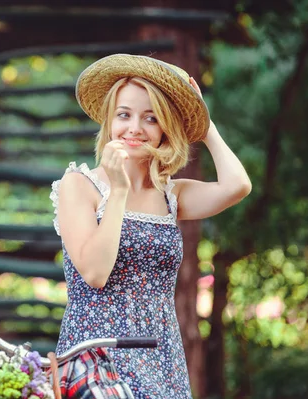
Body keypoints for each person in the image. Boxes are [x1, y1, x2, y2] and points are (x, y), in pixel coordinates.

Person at [50, 54, 251, 399]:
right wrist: (119, 192)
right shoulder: (77, 185)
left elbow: (237, 187)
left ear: (164, 130)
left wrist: (205, 126)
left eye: (151, 118)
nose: (134, 129)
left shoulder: (171, 195)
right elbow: (95, 273)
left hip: (161, 356)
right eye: (124, 115)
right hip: (97, 357)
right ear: (109, 122)